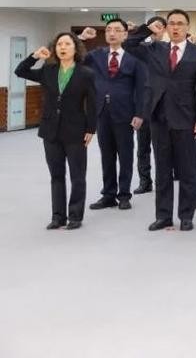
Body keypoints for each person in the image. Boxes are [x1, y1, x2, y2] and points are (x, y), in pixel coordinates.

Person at [124, 11, 196, 232]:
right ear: (166, 27)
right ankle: (163, 216)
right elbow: (128, 44)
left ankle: (186, 215)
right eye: (171, 23)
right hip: (159, 117)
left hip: (186, 118)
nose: (175, 27)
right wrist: (147, 29)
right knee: (162, 170)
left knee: (187, 170)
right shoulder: (155, 49)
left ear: (187, 27)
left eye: (180, 24)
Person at [16, 33, 97, 230]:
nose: (62, 47)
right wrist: (35, 56)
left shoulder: (86, 73)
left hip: (76, 131)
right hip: (50, 131)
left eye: (67, 44)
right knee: (56, 175)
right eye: (59, 44)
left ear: (75, 48)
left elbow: (93, 103)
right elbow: (20, 71)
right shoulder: (48, 70)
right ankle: (58, 217)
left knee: (77, 176)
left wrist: (91, 128)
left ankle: (75, 216)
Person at [77, 20, 146, 212]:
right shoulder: (95, 55)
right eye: (108, 30)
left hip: (125, 113)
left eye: (117, 30)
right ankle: (108, 194)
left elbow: (141, 89)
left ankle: (124, 195)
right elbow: (74, 58)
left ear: (125, 34)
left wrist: (140, 113)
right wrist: (81, 38)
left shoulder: (134, 59)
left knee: (125, 155)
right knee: (106, 156)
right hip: (101, 112)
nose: (112, 33)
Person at [133, 15, 165, 195]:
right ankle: (145, 181)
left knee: (162, 148)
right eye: (153, 26)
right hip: (143, 106)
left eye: (160, 27)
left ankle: (164, 179)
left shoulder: (167, 48)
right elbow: (128, 43)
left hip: (162, 106)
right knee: (142, 147)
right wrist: (144, 30)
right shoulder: (142, 49)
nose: (156, 30)